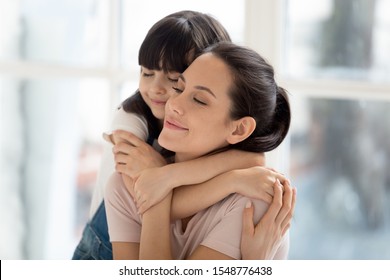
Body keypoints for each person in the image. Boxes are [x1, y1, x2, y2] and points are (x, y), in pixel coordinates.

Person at [72, 10, 294, 260]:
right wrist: (163, 180)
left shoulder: (254, 199)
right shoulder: (130, 125)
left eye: (199, 99)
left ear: (239, 128)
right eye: (180, 87)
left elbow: (252, 161)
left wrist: (160, 182)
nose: (171, 101)